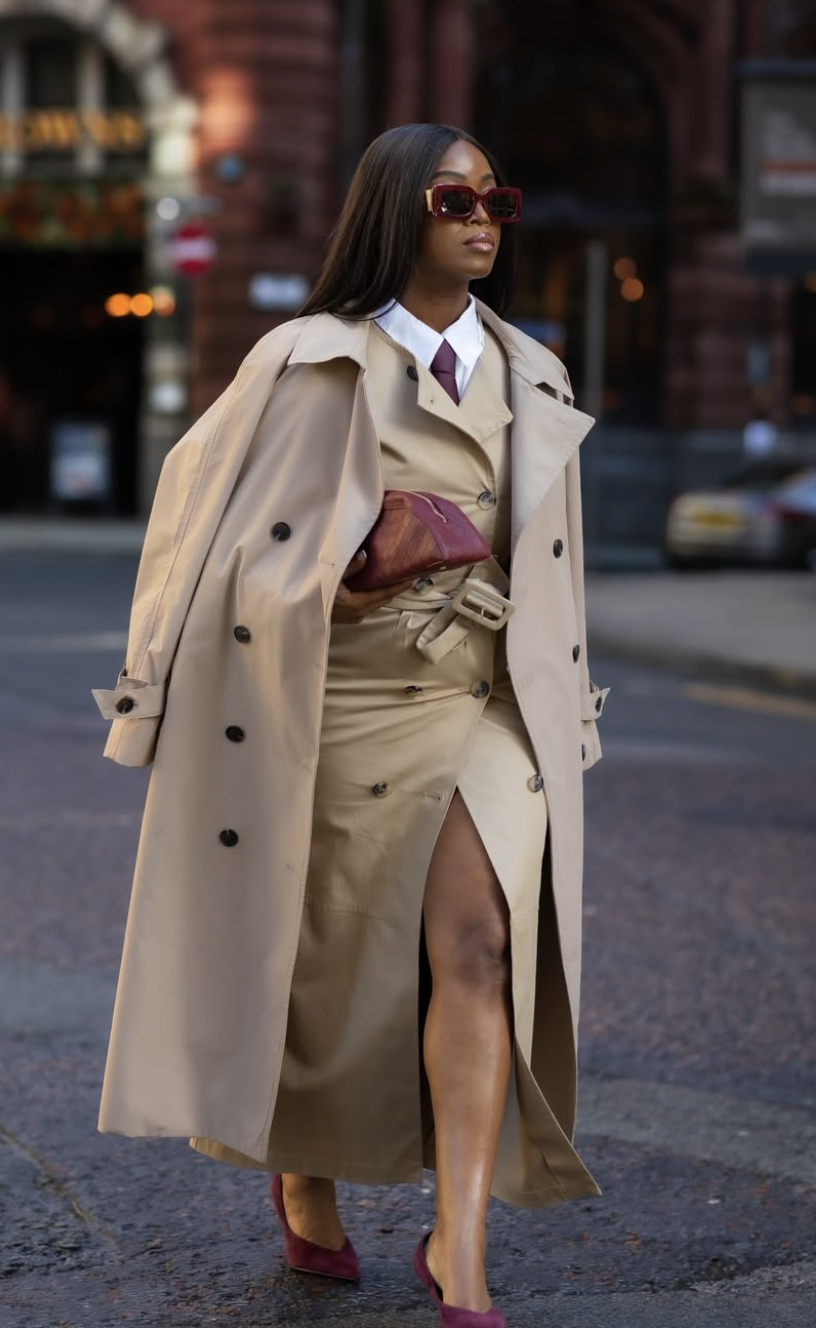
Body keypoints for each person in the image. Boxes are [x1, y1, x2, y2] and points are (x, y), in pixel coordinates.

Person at [92, 123, 608, 1328]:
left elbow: (559, 570)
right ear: (396, 210)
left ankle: (460, 1246)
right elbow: (197, 530)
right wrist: (337, 570)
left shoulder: (534, 369)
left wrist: (564, 707)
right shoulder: (303, 360)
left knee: (479, 944)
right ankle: (305, 1175)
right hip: (337, 697)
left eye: (499, 199)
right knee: (325, 961)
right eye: (455, 196)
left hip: (486, 703)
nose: (484, 218)